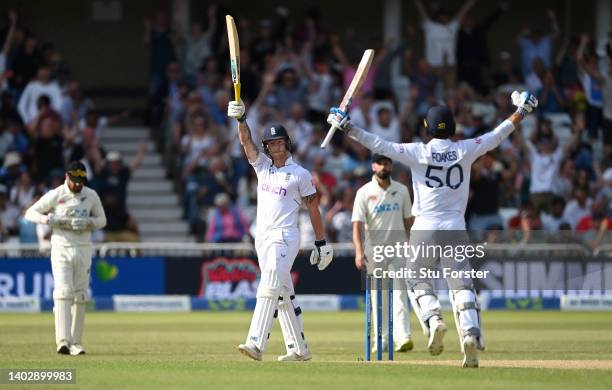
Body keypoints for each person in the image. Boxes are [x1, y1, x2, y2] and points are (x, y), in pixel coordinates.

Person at [327, 90, 538, 368]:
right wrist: (522, 111)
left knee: (415, 278)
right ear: (452, 128)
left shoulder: (418, 151)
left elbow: (378, 143)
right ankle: (471, 335)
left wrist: (347, 126)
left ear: (426, 128)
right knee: (462, 284)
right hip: (454, 227)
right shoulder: (466, 148)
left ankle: (433, 318)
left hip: (424, 227)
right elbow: (498, 133)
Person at [227, 99, 334, 362]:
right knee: (283, 291)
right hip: (262, 237)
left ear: (287, 144)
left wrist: (321, 241)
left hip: (285, 236)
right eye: (271, 144)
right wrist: (241, 120)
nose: (275, 147)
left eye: (279, 143)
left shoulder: (300, 174)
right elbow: (246, 143)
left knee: (270, 283)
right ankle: (299, 349)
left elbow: (313, 209)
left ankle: (256, 343)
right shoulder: (262, 167)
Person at [24, 161, 106, 355]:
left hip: (83, 249)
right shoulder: (56, 194)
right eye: (75, 181)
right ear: (67, 177)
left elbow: (102, 220)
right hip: (61, 248)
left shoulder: (91, 195)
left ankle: (76, 343)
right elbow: (30, 213)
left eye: (81, 181)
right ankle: (63, 342)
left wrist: (88, 223)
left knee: (80, 294)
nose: (78, 185)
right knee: (63, 292)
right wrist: (48, 219)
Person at [352, 153, 414, 353]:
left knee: (399, 293)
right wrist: (359, 252)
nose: (383, 167)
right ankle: (382, 339)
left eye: (386, 163)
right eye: (379, 164)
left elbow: (408, 223)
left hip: (398, 249)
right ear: (373, 167)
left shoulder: (402, 190)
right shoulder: (364, 192)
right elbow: (357, 226)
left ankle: (403, 337)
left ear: (391, 166)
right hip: (374, 251)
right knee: (379, 297)